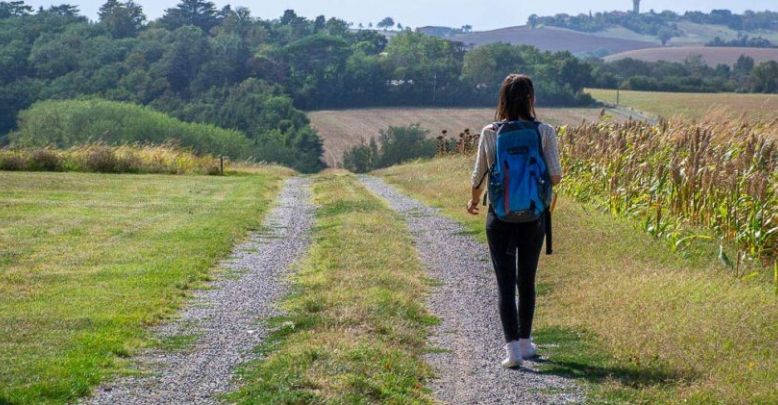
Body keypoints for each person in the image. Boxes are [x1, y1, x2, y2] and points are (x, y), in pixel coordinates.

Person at [467, 74, 562, 368]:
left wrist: (473, 200)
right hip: (534, 216)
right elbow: (556, 175)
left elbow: (478, 175)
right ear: (531, 99)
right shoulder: (544, 131)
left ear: (503, 99)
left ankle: (512, 353)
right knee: (527, 280)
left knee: (505, 284)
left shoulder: (490, 131)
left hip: (500, 217)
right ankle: (526, 342)